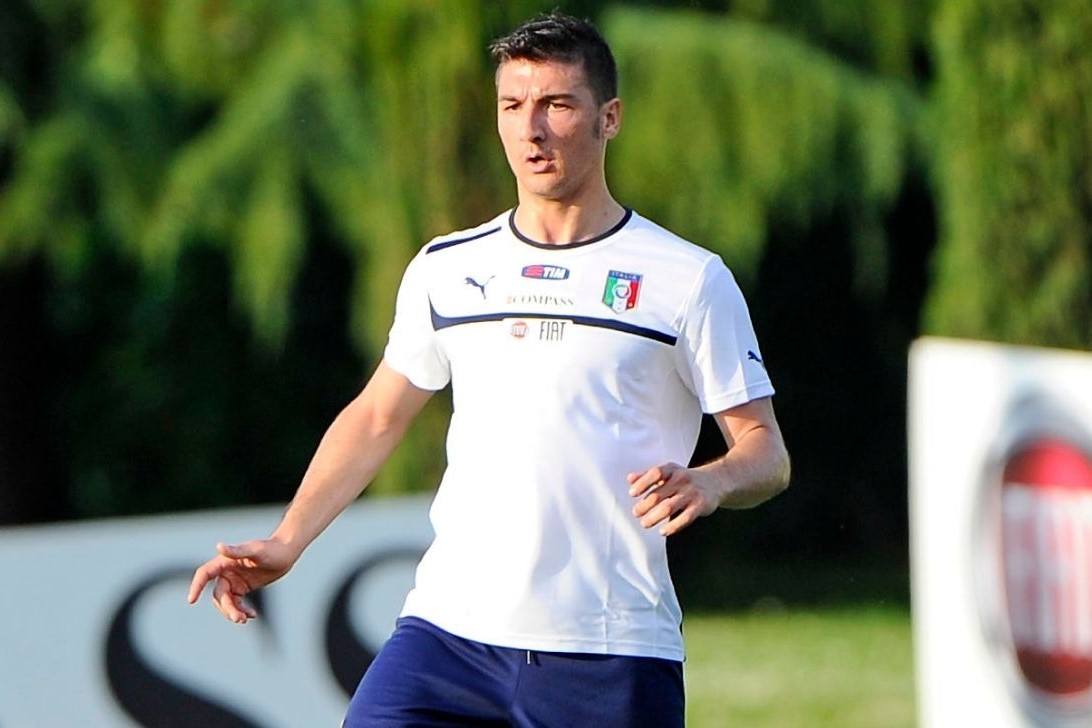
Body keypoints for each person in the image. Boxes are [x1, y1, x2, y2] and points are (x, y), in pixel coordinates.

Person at [188, 11, 790, 727]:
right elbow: (377, 417)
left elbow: (766, 453)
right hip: (447, 637)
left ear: (609, 118)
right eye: (512, 105)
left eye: (557, 104)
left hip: (607, 649)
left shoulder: (686, 278)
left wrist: (711, 481)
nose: (531, 129)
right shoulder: (447, 267)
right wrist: (287, 541)